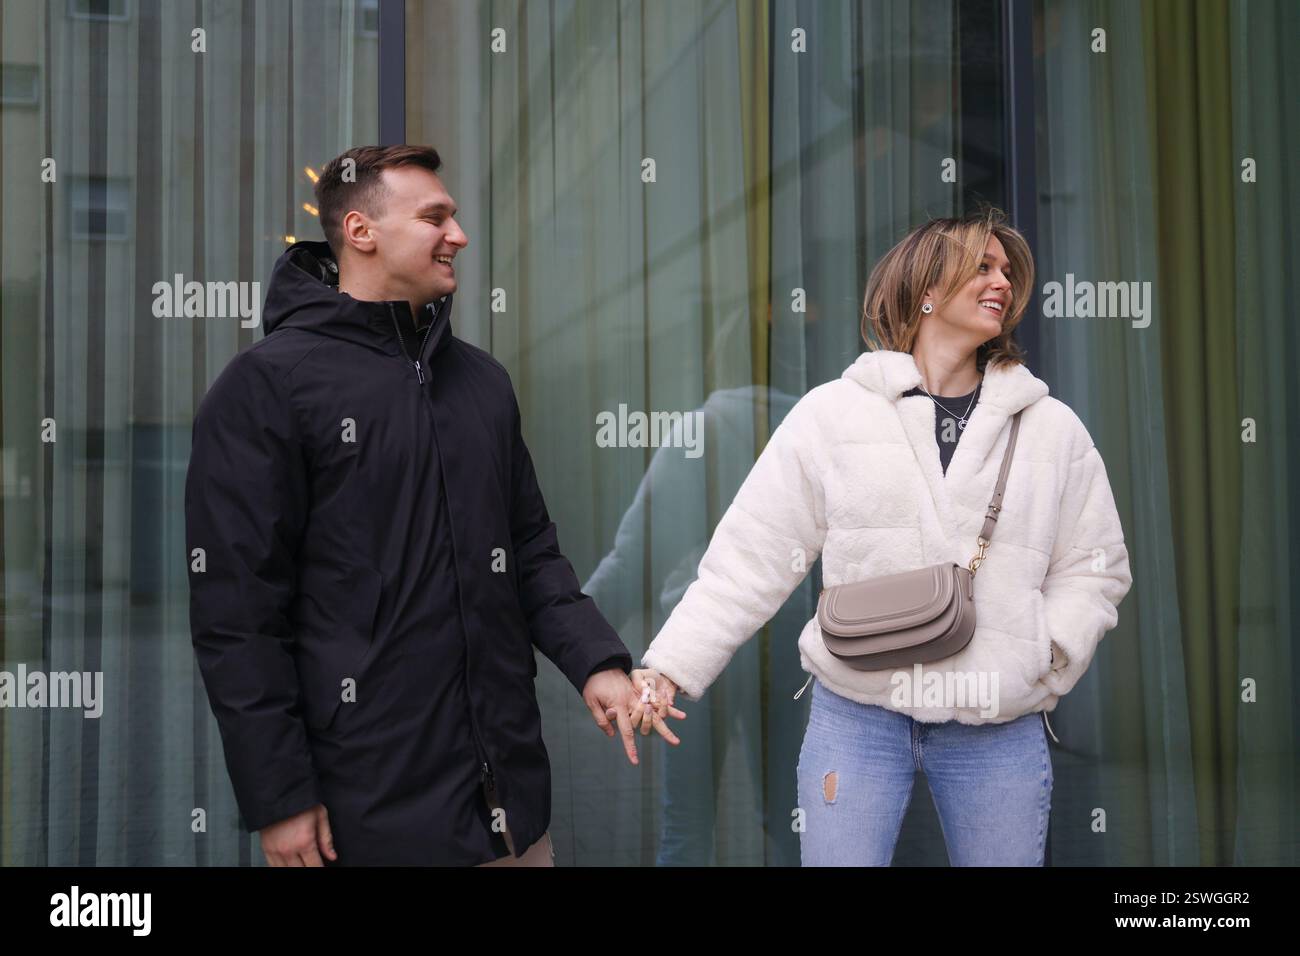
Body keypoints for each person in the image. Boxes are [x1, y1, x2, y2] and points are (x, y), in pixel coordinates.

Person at [185, 144, 675, 867]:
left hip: (511, 812)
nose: (460, 235)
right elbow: (238, 618)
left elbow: (530, 551)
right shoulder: (266, 387)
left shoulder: (480, 383)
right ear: (361, 231)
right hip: (366, 818)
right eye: (435, 217)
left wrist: (596, 662)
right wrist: (281, 795)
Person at [630, 207, 1133, 866]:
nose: (1002, 282)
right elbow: (748, 561)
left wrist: (1046, 653)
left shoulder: (1051, 428)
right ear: (924, 290)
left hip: (997, 725)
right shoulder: (832, 416)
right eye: (981, 266)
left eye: (1007, 271)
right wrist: (669, 669)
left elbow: (1097, 569)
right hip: (859, 715)